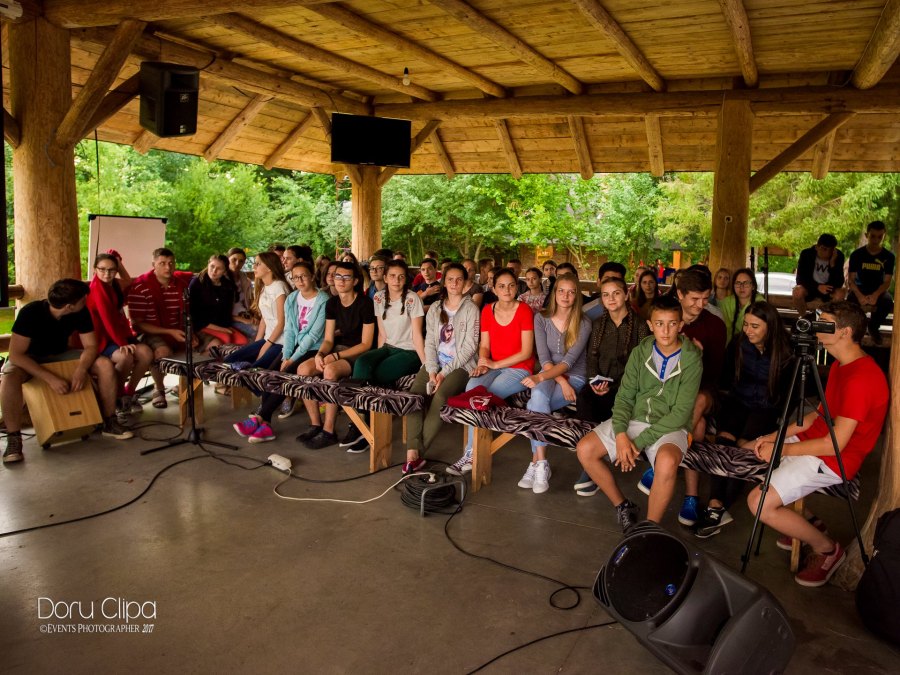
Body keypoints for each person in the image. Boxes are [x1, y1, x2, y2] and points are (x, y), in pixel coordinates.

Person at [747, 301, 888, 587]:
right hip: (815, 442)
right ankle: (806, 523)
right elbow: (814, 417)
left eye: (824, 323)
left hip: (834, 459)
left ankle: (827, 549)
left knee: (758, 503)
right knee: (753, 454)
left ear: (845, 332)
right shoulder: (840, 365)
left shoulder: (862, 378)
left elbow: (833, 445)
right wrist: (772, 437)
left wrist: (782, 449)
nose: (815, 327)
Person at [575, 295, 702, 531]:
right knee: (585, 449)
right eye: (660, 323)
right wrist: (621, 434)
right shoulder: (640, 352)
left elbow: (681, 413)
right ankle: (623, 506)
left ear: (681, 325)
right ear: (650, 325)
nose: (665, 331)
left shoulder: (692, 359)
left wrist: (637, 444)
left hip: (670, 426)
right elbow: (624, 397)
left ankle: (649, 528)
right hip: (636, 418)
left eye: (672, 323)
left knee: (666, 461)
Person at [2, 279, 133, 463]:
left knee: (104, 364)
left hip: (61, 353)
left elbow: (91, 346)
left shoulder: (81, 311)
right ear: (70, 306)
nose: (86, 301)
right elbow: (16, 355)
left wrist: (81, 369)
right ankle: (14, 438)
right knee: (9, 377)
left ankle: (109, 421)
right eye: (83, 299)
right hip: (30, 357)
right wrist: (50, 378)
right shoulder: (30, 313)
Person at [694, 302, 793, 538]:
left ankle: (720, 507)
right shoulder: (738, 343)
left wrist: (782, 424)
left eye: (755, 326)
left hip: (767, 408)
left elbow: (790, 394)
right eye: (746, 324)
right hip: (738, 401)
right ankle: (716, 503)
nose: (748, 330)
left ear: (770, 327)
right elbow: (725, 379)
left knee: (743, 447)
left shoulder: (786, 350)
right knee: (723, 443)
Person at [640, 269, 726, 526]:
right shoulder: (665, 318)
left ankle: (658, 464)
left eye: (706, 298)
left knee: (697, 402)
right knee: (697, 427)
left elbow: (715, 375)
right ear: (680, 294)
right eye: (695, 299)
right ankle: (691, 497)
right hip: (667, 391)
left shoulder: (715, 325)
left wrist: (696, 358)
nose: (701, 304)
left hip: (704, 390)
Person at [446, 268, 535, 476]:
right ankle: (472, 450)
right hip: (494, 365)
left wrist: (494, 365)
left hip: (519, 368)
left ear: (517, 288)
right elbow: (484, 345)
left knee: (483, 397)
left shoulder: (524, 310)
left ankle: (471, 453)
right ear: (493, 289)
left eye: (511, 285)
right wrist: (483, 362)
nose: (507, 290)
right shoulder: (487, 310)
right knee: (472, 387)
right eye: (501, 286)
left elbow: (526, 352)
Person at [232, 261, 329, 443]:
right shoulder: (292, 299)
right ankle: (266, 425)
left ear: (312, 276)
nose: (300, 280)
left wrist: (292, 359)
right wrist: (286, 355)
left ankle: (259, 419)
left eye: (303, 276)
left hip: (314, 348)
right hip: (293, 347)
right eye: (295, 277)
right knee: (270, 374)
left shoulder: (323, 299)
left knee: (286, 376)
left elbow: (314, 335)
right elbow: (290, 330)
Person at [573, 277, 651, 497]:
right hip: (601, 384)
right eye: (605, 295)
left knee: (617, 401)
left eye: (616, 293)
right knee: (585, 397)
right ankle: (590, 459)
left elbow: (642, 366)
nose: (611, 298)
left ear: (626, 295)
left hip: (628, 388)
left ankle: (595, 461)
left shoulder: (640, 325)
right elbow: (591, 359)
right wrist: (594, 381)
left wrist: (613, 386)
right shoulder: (598, 324)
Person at [339, 260, 427, 454]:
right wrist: (376, 355)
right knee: (362, 363)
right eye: (392, 276)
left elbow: (417, 335)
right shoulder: (378, 297)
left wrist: (425, 365)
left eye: (401, 276)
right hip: (388, 347)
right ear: (385, 277)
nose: (397, 280)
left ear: (406, 279)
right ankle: (361, 421)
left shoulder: (412, 299)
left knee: (378, 374)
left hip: (409, 351)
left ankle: (366, 430)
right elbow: (382, 333)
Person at [518, 273, 591, 494]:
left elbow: (569, 363)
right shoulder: (541, 318)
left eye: (571, 292)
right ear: (555, 293)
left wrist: (552, 379)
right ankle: (542, 463)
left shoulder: (584, 323)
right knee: (539, 398)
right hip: (549, 372)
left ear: (577, 295)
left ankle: (535, 463)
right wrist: (559, 381)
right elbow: (544, 357)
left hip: (575, 376)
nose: (565, 296)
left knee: (535, 405)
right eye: (561, 291)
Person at [405, 263, 479, 475]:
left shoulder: (471, 309)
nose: (454, 283)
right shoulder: (436, 308)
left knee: (441, 396)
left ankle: (416, 454)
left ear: (465, 283)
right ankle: (412, 450)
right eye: (450, 279)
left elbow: (470, 347)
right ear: (444, 282)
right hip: (435, 364)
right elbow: (429, 341)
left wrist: (443, 374)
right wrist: (431, 370)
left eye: (459, 279)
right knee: (415, 395)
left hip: (460, 366)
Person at [296, 261, 375, 449]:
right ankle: (316, 424)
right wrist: (321, 353)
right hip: (337, 349)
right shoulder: (332, 303)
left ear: (355, 281)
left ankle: (328, 430)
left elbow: (366, 344)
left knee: (330, 371)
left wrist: (336, 357)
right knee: (303, 369)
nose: (340, 280)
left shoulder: (365, 303)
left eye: (346, 277)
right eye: (337, 276)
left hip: (358, 352)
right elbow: (329, 339)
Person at [127, 247, 196, 409]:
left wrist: (190, 332)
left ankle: (185, 388)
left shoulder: (181, 285)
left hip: (176, 328)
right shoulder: (140, 287)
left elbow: (187, 314)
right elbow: (137, 324)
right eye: (162, 263)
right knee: (163, 352)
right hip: (148, 331)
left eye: (171, 263)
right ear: (153, 265)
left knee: (198, 347)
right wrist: (169, 332)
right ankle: (159, 389)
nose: (168, 267)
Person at [87, 252, 153, 415]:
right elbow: (107, 320)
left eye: (111, 270)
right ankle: (117, 395)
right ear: (95, 269)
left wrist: (119, 263)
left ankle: (128, 393)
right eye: (102, 269)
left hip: (118, 334)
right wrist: (122, 344)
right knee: (125, 356)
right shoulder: (96, 288)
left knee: (146, 353)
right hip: (102, 338)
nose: (106, 274)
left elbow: (129, 283)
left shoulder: (114, 284)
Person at [223, 251, 291, 371]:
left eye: (258, 264)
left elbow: (282, 323)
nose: (254, 266)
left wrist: (266, 346)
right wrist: (258, 343)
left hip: (282, 342)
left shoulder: (279, 287)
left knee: (254, 372)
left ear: (269, 268)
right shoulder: (264, 288)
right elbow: (264, 319)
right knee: (229, 361)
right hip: (269, 339)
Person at [848, 220, 894, 344]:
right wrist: (860, 295)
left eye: (880, 236)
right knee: (850, 302)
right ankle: (856, 331)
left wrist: (875, 295)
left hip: (878, 290)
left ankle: (873, 327)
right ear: (866, 235)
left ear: (884, 236)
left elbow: (887, 281)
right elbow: (851, 280)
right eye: (873, 236)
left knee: (888, 301)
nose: (876, 240)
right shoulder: (857, 255)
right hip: (859, 289)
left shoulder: (889, 257)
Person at [189, 254, 247, 353]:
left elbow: (226, 312)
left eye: (219, 268)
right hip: (202, 325)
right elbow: (195, 316)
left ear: (225, 271)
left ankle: (229, 362)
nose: (214, 271)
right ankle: (204, 360)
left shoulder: (228, 285)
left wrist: (225, 327)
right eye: (212, 266)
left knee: (243, 342)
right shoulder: (197, 283)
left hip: (222, 325)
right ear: (208, 264)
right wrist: (222, 329)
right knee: (226, 340)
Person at [793, 234, 847, 316]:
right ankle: (804, 317)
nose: (827, 253)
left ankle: (829, 318)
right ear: (817, 247)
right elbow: (800, 279)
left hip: (829, 289)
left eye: (830, 250)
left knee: (841, 293)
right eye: (824, 249)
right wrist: (817, 287)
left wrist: (832, 264)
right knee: (797, 291)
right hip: (810, 287)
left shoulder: (838, 256)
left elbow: (839, 282)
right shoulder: (806, 254)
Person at [719, 267, 765, 344]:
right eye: (738, 283)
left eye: (746, 283)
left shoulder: (760, 303)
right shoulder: (726, 303)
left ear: (753, 286)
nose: (741, 287)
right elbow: (725, 330)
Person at [227, 247, 257, 341]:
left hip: (245, 314)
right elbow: (220, 312)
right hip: (230, 319)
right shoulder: (221, 279)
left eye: (241, 261)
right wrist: (244, 320)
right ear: (227, 259)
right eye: (234, 259)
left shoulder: (243, 277)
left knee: (266, 328)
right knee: (257, 332)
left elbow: (249, 301)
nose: (237, 264)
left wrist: (254, 316)